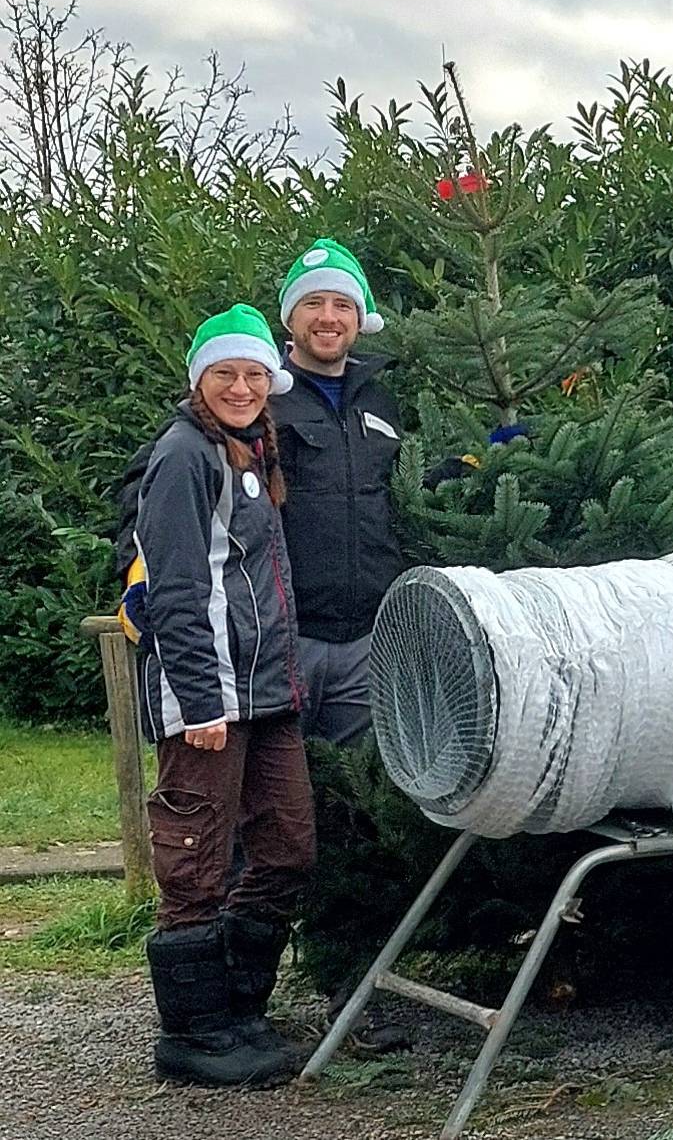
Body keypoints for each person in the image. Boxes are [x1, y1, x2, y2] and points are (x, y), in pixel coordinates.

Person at [133, 305, 312, 1087]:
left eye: (253, 375)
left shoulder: (250, 447)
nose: (241, 386)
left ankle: (240, 1008)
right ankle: (194, 1034)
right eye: (225, 374)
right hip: (205, 699)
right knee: (195, 859)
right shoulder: (181, 456)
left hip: (268, 692)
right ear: (199, 379)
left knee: (287, 844)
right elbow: (174, 586)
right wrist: (200, 700)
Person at [267, 238, 403, 745]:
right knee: (272, 800)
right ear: (290, 317)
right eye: (313, 303)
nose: (328, 317)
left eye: (342, 304)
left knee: (359, 797)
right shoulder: (257, 395)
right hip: (284, 641)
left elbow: (396, 492)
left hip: (367, 644)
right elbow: (164, 483)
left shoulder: (381, 400)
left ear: (359, 317)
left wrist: (478, 463)